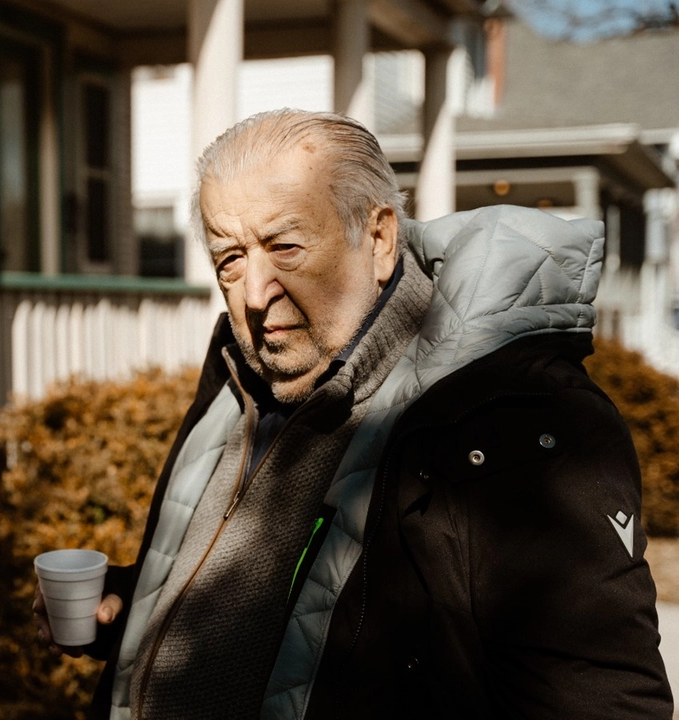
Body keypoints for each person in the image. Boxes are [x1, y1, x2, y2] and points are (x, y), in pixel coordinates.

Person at [33, 109, 672, 719]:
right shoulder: (243, 378)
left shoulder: (514, 424)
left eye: (284, 247)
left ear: (379, 238)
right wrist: (133, 606)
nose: (254, 295)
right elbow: (254, 603)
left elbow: (599, 699)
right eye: (230, 258)